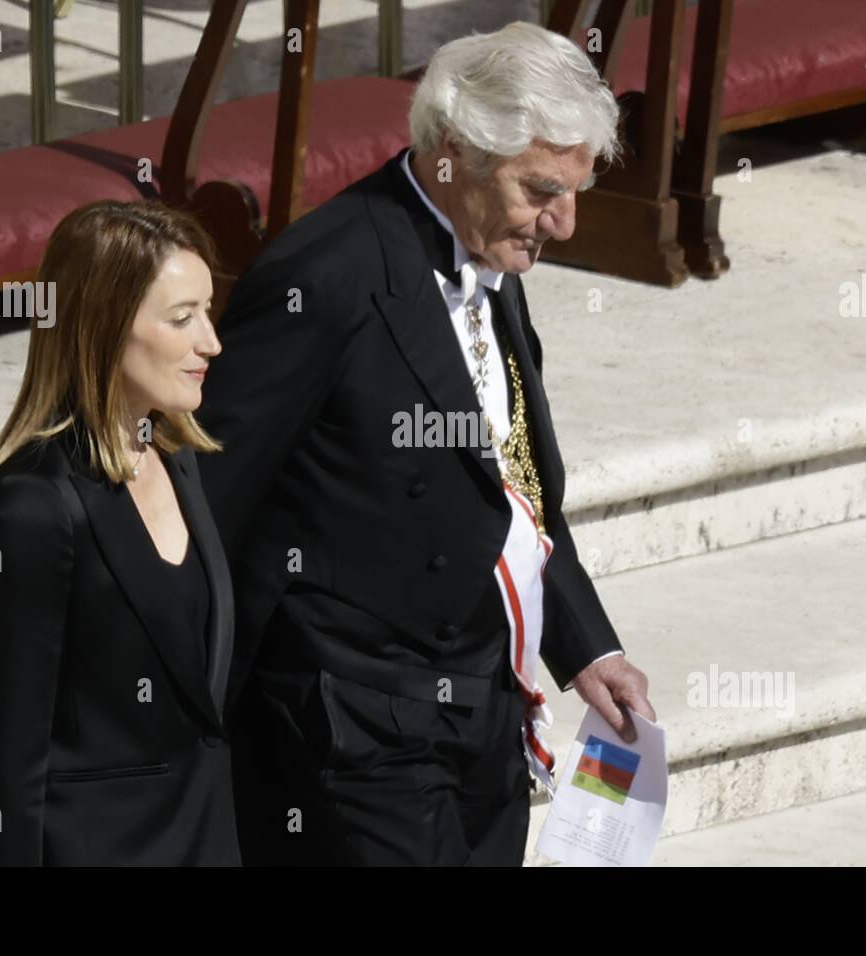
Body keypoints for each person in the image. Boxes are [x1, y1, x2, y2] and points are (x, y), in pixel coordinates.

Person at [197, 21, 656, 866]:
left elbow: (511, 490)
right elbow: (209, 498)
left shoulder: (493, 254)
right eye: (542, 190)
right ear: (456, 153)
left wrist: (587, 645)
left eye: (576, 189)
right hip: (352, 719)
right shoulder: (324, 276)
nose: (565, 222)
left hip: (481, 702)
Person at [0, 200, 239, 865]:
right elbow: (6, 750)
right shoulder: (34, 507)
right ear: (106, 324)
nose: (212, 341)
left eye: (207, 311)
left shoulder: (179, 459)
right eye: (182, 319)